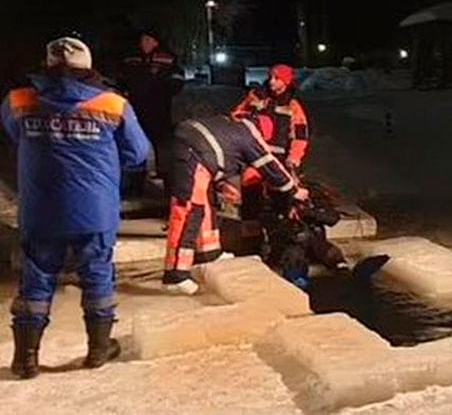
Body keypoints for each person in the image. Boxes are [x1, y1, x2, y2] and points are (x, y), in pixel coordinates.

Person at [1, 36, 150, 378]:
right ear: (89, 68)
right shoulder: (113, 105)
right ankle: (98, 349)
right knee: (97, 275)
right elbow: (138, 153)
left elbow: (13, 133)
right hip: (94, 209)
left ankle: (26, 357)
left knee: (35, 280)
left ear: (47, 65)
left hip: (40, 210)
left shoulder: (19, 100)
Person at [162, 114, 308, 295]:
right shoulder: (247, 134)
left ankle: (209, 254)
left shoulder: (229, 125)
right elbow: (269, 166)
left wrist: (222, 183)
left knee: (207, 206)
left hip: (191, 151)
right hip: (191, 156)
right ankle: (175, 276)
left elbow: (219, 152)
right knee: (189, 211)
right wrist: (294, 190)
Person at [230, 64, 310, 243]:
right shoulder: (257, 97)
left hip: (280, 160)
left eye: (277, 78)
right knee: (250, 191)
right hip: (255, 156)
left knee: (282, 196)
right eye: (271, 77)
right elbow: (236, 116)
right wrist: (250, 113)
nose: (272, 82)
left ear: (286, 82)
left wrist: (295, 157)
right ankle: (251, 238)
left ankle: (280, 234)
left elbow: (300, 134)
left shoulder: (292, 106)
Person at [118, 29, 184, 198]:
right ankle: (135, 185)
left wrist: (159, 89)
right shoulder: (131, 59)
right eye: (142, 40)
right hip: (136, 110)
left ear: (155, 42)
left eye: (147, 40)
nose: (143, 43)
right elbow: (122, 79)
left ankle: (168, 185)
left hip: (159, 110)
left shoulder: (167, 59)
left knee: (163, 147)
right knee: (135, 145)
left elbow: (177, 81)